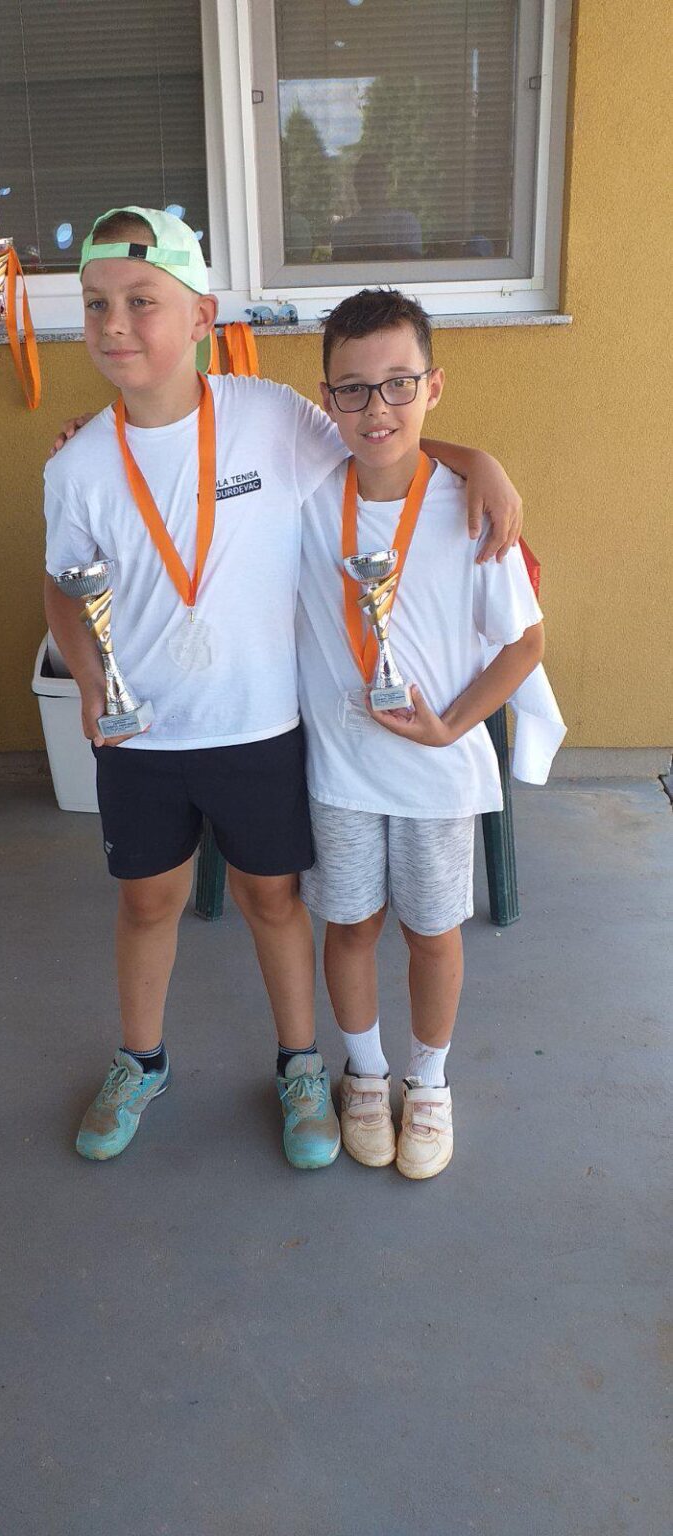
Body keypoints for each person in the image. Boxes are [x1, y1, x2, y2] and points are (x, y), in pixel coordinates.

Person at [44, 206, 523, 1170]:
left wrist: (481, 462)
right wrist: (90, 679)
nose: (114, 323)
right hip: (143, 737)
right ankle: (141, 1059)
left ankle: (303, 1064)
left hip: (260, 727)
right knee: (146, 904)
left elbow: (380, 436)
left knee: (274, 900)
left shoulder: (267, 416)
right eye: (95, 304)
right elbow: (64, 586)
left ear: (202, 315)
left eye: (141, 301)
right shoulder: (79, 463)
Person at [296, 287, 556, 1179]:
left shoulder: (466, 509)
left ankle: (430, 1081)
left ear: (433, 386)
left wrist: (453, 729)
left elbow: (525, 643)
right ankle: (366, 1074)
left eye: (399, 384)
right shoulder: (302, 498)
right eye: (352, 388)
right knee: (349, 924)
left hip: (435, 775)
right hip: (339, 769)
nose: (377, 408)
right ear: (325, 397)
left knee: (433, 933)